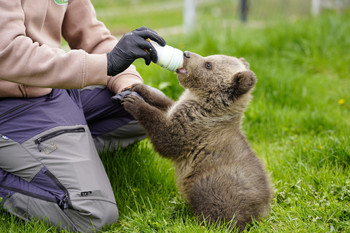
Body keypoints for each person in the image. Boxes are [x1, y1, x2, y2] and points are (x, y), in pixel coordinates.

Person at [0, 0, 166, 232]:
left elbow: (93, 37)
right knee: (92, 213)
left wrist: (127, 82)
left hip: (52, 87)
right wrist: (107, 64)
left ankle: (60, 156)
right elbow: (7, 54)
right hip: (10, 104)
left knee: (152, 109)